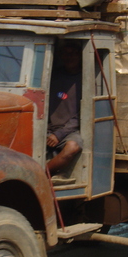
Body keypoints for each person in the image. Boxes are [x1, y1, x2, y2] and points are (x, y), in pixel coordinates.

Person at [46, 40, 84, 176]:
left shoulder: (85, 79)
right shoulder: (54, 77)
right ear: (61, 56)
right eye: (66, 54)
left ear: (80, 56)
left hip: (71, 130)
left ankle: (41, 174)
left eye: (74, 54)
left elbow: (82, 115)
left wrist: (59, 134)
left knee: (72, 147)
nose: (70, 57)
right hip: (48, 128)